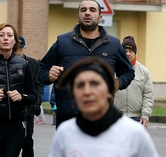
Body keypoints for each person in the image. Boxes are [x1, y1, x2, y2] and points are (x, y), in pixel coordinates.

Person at [38, 0, 134, 128]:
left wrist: (118, 82)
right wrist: (49, 76)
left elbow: (128, 72)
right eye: (83, 10)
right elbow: (41, 69)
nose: (87, 13)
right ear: (78, 16)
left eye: (92, 10)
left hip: (102, 115)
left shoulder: (114, 45)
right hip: (68, 117)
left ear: (100, 17)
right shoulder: (62, 42)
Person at [0, 23, 37, 157]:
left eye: (9, 35)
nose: (5, 38)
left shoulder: (23, 65)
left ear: (15, 41)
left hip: (14, 127)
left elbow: (33, 97)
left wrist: (21, 97)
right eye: (1, 35)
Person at [114, 36, 154, 157]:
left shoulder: (143, 71)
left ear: (135, 53)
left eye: (131, 51)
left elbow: (148, 95)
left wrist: (145, 115)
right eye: (125, 50)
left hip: (136, 116)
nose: (128, 53)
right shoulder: (114, 69)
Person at [16, 36, 44, 157]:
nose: (18, 51)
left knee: (27, 139)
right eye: (16, 48)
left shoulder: (32, 63)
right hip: (12, 108)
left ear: (24, 48)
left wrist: (37, 102)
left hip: (28, 107)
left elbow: (38, 85)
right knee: (12, 138)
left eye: (20, 48)